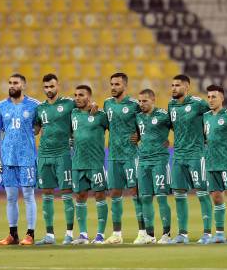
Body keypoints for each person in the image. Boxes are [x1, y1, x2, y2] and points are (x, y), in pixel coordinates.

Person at [0, 74, 39, 246]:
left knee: (28, 195)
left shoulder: (34, 105)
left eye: (16, 83)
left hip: (27, 157)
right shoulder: (1, 106)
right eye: (10, 82)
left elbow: (41, 125)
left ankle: (30, 234)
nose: (12, 85)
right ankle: (13, 234)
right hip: (8, 158)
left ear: (23, 85)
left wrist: (36, 130)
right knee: (11, 197)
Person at [168, 75, 214, 244]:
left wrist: (209, 136)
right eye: (172, 85)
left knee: (202, 193)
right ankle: (182, 234)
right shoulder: (171, 105)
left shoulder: (198, 103)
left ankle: (208, 233)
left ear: (187, 87)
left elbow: (213, 116)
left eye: (177, 85)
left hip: (196, 155)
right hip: (178, 155)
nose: (173, 88)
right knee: (179, 194)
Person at [34, 74, 76, 245]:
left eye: (51, 87)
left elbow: (82, 114)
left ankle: (69, 233)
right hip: (44, 154)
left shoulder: (68, 104)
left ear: (58, 86)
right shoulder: (40, 108)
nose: (49, 90)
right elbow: (36, 128)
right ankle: (49, 235)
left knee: (66, 193)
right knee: (46, 193)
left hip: (62, 154)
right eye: (46, 87)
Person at [103, 73, 143, 244]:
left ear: (125, 86)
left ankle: (143, 232)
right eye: (112, 84)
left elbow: (146, 121)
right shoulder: (107, 103)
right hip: (113, 155)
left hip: (130, 155)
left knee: (136, 192)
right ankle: (117, 234)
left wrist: (140, 136)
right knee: (114, 193)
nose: (113, 87)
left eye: (117, 84)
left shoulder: (135, 105)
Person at [70, 85, 109, 245]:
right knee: (80, 197)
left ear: (89, 97)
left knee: (99, 195)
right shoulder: (73, 114)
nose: (77, 98)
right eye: (75, 95)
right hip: (78, 163)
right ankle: (83, 235)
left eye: (81, 95)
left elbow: (117, 128)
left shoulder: (100, 115)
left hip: (95, 163)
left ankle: (100, 234)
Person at [204, 85, 227, 244]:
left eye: (214, 97)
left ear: (222, 99)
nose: (211, 100)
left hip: (226, 162)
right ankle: (219, 233)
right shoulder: (205, 116)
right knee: (216, 197)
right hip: (211, 163)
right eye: (209, 97)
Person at [135, 89, 173, 244]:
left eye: (145, 101)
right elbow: (137, 133)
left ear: (153, 100)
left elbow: (179, 127)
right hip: (143, 161)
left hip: (159, 161)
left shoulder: (164, 115)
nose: (141, 104)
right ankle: (150, 235)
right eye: (140, 101)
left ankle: (166, 234)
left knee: (161, 197)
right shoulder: (137, 117)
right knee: (145, 198)